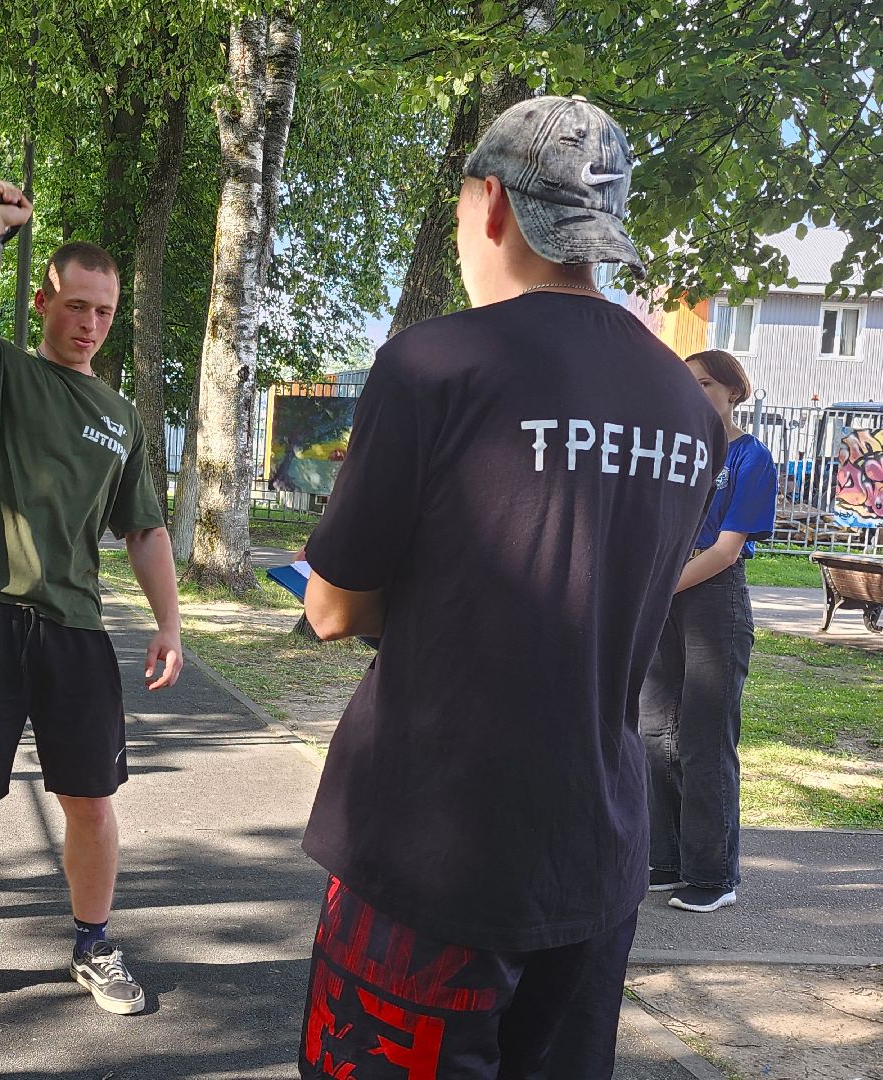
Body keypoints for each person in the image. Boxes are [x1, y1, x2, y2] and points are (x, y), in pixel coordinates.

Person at [295, 96, 727, 1077]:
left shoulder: (436, 363)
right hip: (595, 852)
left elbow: (331, 609)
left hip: (431, 845)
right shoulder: (685, 405)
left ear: (487, 204)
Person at [0, 180, 183, 1018]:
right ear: (42, 301)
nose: (90, 323)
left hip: (75, 631)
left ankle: (95, 943)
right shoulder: (2, 376)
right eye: (76, 306)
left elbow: (143, 530)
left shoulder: (121, 416)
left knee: (92, 805)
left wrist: (170, 622)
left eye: (104, 311)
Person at [641, 350, 777, 914]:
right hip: (663, 596)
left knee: (704, 738)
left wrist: (659, 585)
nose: (694, 393)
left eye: (705, 383)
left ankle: (712, 874)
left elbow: (725, 550)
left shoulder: (751, 457)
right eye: (686, 383)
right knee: (652, 731)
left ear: (732, 391)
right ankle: (665, 861)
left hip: (712, 601)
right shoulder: (678, 455)